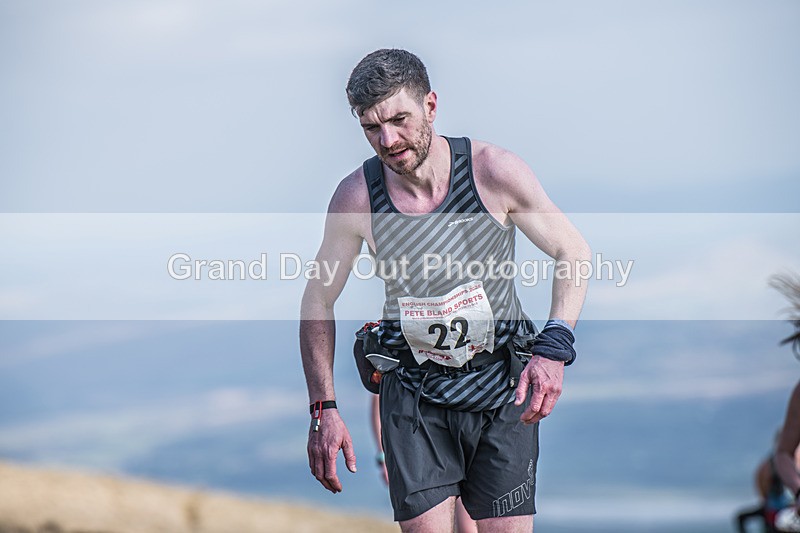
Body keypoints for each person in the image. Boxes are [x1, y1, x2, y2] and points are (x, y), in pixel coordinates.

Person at [300, 48, 590, 532]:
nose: (388, 139)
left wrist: (554, 347)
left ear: (431, 106)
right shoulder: (357, 197)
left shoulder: (493, 172)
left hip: (501, 388)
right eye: (371, 127)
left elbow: (573, 252)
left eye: (399, 119)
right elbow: (318, 299)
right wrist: (322, 409)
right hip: (414, 396)